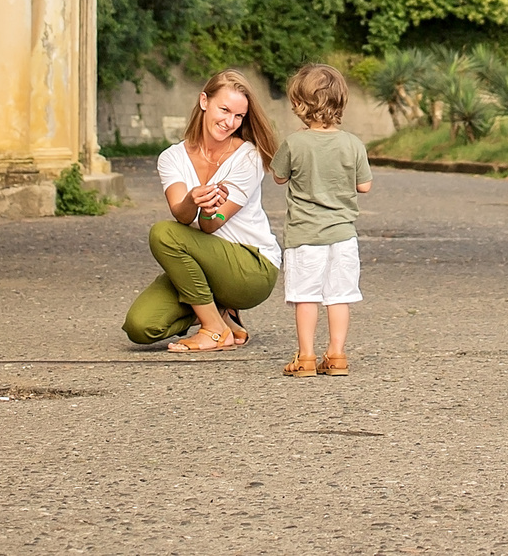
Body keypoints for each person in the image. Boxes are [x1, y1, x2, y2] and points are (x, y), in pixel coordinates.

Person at [121, 69, 280, 351]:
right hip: (202, 263)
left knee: (163, 234)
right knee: (141, 326)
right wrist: (193, 200)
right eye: (225, 110)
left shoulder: (249, 157)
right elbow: (180, 214)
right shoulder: (172, 158)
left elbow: (212, 224)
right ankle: (220, 313)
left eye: (239, 116)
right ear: (204, 101)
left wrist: (209, 211)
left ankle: (214, 330)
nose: (230, 122)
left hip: (250, 267)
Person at [273, 62, 372, 378]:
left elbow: (278, 177)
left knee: (306, 297)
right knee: (339, 297)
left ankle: (306, 357)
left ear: (300, 105)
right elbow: (364, 185)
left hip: (305, 237)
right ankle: (337, 355)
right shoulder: (353, 144)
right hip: (343, 237)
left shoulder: (294, 142)